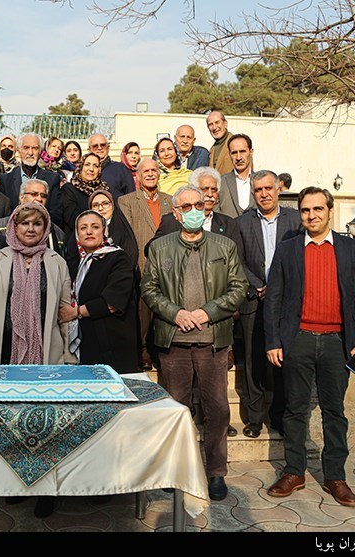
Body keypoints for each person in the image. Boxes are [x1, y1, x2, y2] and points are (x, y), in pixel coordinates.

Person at [264, 186, 355, 507]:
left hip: (337, 344)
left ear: (330, 211)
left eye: (318, 210)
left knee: (334, 412)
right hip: (297, 340)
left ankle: (335, 476)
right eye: (305, 210)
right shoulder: (287, 250)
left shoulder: (352, 250)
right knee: (295, 409)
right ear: (299, 214)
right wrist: (273, 340)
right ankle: (294, 471)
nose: (311, 216)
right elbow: (274, 298)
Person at [141, 184, 248, 502]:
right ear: (175, 212)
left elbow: (238, 287)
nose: (192, 211)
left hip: (212, 342)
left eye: (198, 205)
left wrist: (206, 312)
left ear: (206, 207)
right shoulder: (160, 248)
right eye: (185, 207)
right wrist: (175, 314)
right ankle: (175, 470)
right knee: (176, 410)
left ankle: (216, 473)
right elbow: (149, 289)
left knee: (217, 409)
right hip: (174, 342)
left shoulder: (224, 245)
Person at [0, 202, 74, 519]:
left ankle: (46, 489)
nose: (30, 229)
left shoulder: (57, 262)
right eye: (24, 223)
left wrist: (69, 354)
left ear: (45, 228)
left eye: (36, 224)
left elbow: (65, 313)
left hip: (48, 357)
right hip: (5, 355)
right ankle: (18, 484)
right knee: (12, 422)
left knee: (47, 424)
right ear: (13, 228)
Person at [235, 170, 303, 438]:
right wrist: (258, 286)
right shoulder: (242, 223)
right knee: (254, 361)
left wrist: (279, 288)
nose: (263, 194)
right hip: (255, 299)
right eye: (258, 190)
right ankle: (254, 419)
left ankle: (279, 416)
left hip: (286, 304)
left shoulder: (295, 220)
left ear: (278, 190)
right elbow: (237, 261)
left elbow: (301, 260)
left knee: (284, 361)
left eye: (268, 189)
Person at [59, 210, 138, 374]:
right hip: (88, 344)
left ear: (104, 231)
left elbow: (113, 302)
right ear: (77, 234)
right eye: (83, 228)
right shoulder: (78, 263)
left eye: (95, 227)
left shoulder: (118, 258)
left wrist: (76, 312)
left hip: (113, 345)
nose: (89, 232)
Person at [117, 158, 174, 370]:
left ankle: (161, 350)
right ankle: (142, 349)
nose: (150, 174)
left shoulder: (171, 200)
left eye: (153, 170)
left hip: (169, 264)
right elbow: (129, 235)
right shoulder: (127, 201)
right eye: (145, 171)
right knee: (143, 311)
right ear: (138, 177)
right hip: (142, 262)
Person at [0, 178, 66, 258]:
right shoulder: (1, 227)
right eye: (34, 194)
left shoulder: (56, 233)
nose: (39, 199)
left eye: (43, 196)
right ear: (22, 197)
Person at [0, 133, 62, 226]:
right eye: (26, 148)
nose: (30, 153)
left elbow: (56, 214)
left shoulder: (52, 179)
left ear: (40, 152)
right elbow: (4, 214)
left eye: (35, 148)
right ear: (19, 151)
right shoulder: (6, 180)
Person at [61, 153, 105, 235]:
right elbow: (71, 220)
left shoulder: (104, 191)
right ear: (80, 167)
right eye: (87, 165)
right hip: (79, 239)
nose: (91, 169)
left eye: (95, 166)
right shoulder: (69, 189)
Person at [217, 133, 258, 218]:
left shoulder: (260, 181)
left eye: (242, 151)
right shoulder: (220, 182)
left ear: (251, 152)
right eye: (234, 153)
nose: (238, 157)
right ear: (229, 155)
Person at [87, 133, 135, 199]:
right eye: (95, 146)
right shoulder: (82, 171)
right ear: (89, 150)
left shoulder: (121, 169)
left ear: (108, 148)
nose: (99, 148)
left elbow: (132, 198)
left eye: (103, 145)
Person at [207, 110, 235, 175]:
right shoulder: (212, 149)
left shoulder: (237, 144)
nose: (214, 127)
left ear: (225, 123)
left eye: (217, 122)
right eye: (210, 124)